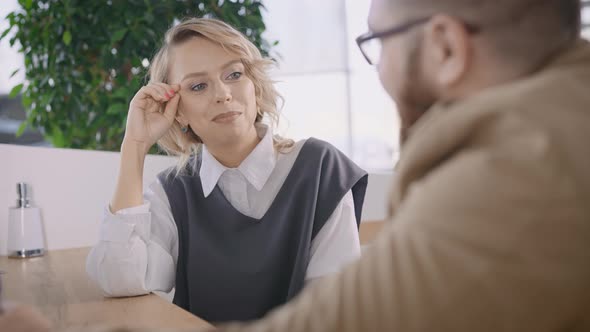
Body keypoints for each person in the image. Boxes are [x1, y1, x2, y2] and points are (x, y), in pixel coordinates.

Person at [84, 17, 368, 323]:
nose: (222, 93)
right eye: (198, 85)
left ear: (255, 87)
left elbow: (334, 311)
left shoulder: (321, 170)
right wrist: (135, 146)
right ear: (177, 111)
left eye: (234, 74)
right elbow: (120, 279)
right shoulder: (172, 192)